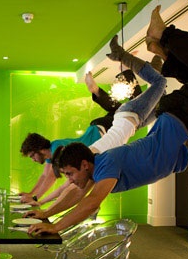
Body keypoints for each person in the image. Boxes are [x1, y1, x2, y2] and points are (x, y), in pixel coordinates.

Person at [28, 5, 188, 235]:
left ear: (84, 165)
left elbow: (91, 203)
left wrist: (55, 226)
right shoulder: (96, 171)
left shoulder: (106, 163)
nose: (68, 181)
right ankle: (160, 50)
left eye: (69, 174)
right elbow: (77, 195)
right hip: (180, 119)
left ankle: (164, 36)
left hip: (181, 114)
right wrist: (45, 214)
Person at [20, 51, 164, 206]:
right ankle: (133, 73)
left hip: (107, 126)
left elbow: (56, 182)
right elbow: (56, 183)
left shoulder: (69, 153)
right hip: (116, 124)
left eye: (32, 155)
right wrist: (35, 198)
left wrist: (37, 200)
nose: (69, 178)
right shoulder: (81, 160)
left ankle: (122, 69)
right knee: (158, 106)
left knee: (157, 86)